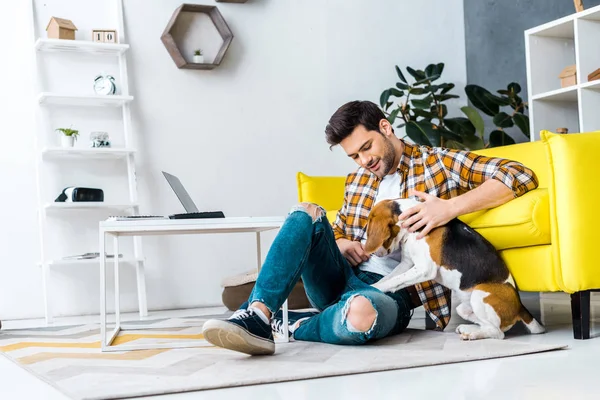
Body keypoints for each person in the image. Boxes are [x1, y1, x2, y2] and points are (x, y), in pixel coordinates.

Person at [202, 100, 538, 356]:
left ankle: (295, 323)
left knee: (361, 317)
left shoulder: (439, 163)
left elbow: (519, 175)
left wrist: (449, 207)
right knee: (305, 211)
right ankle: (259, 316)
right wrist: (343, 241)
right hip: (341, 275)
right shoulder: (358, 181)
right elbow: (335, 229)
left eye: (367, 148)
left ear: (386, 128)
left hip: (391, 291)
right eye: (354, 156)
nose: (365, 161)